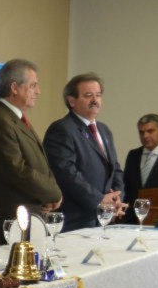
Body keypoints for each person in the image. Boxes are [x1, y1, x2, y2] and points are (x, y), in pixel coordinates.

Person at [0, 59, 63, 245]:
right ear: (14, 88)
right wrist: (53, 193)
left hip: (30, 215)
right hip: (13, 218)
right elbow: (16, 171)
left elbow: (40, 163)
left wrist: (49, 194)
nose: (38, 91)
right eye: (33, 85)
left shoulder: (13, 117)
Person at [44, 73, 126, 231]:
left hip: (104, 219)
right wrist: (100, 200)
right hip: (76, 220)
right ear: (71, 101)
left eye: (98, 95)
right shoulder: (62, 129)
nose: (95, 100)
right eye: (88, 95)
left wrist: (116, 197)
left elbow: (115, 169)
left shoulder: (104, 130)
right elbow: (67, 174)